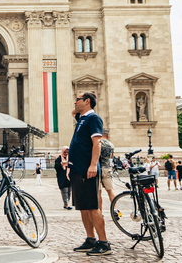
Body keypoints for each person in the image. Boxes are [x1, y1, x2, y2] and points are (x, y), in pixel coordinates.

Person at [69, 92, 111, 255]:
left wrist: (93, 165)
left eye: (77, 100)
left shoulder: (93, 119)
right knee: (83, 207)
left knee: (93, 207)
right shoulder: (82, 119)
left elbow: (97, 143)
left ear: (87, 101)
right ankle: (90, 239)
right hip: (78, 169)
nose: (74, 102)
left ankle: (104, 243)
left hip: (88, 170)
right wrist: (78, 108)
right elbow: (73, 112)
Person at [98, 128, 116, 205]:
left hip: (97, 168)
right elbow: (111, 156)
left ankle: (100, 212)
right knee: (110, 190)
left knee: (98, 192)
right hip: (107, 168)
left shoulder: (97, 143)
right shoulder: (111, 145)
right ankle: (115, 209)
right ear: (108, 136)